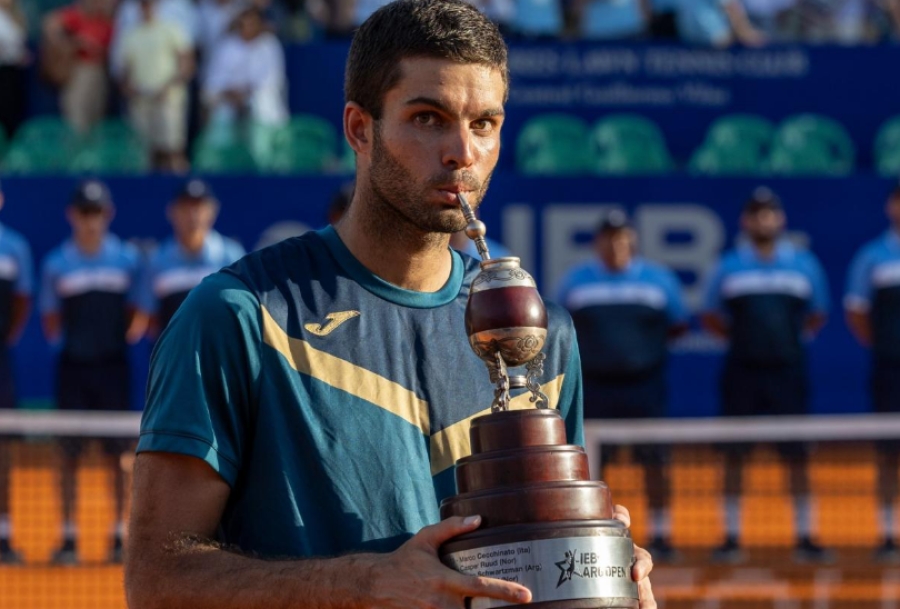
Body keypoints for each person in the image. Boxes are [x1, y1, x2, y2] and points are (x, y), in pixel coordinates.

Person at [124, 2, 656, 608]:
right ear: (359, 128)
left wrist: (599, 572)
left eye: (485, 123)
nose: (462, 151)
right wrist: (365, 584)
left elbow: (535, 553)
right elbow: (156, 581)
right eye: (429, 118)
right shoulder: (238, 315)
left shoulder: (541, 334)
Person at [701, 187, 830, 563]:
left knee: (798, 456)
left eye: (769, 213)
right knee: (734, 456)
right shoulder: (728, 266)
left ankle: (805, 535)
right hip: (741, 373)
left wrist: (785, 343)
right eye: (756, 214)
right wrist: (744, 342)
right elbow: (710, 314)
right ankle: (731, 536)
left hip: (789, 373)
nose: (763, 220)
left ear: (781, 219)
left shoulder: (804, 264)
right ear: (745, 221)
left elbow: (816, 314)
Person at [556, 210, 687, 562]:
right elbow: (560, 331)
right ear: (598, 243)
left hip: (645, 389)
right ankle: (594, 532)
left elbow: (677, 326)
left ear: (633, 241)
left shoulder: (660, 281)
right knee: (594, 466)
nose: (616, 244)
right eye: (608, 237)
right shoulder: (575, 282)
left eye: (622, 237)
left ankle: (662, 534)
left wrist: (639, 357)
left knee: (655, 463)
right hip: (596, 391)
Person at [40, 180, 145, 565]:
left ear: (108, 215)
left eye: (97, 212)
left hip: (113, 369)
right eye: (84, 212)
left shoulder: (128, 261)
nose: (90, 220)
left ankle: (120, 535)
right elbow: (50, 320)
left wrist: (114, 341)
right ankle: (68, 536)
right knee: (67, 457)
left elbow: (137, 313)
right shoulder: (56, 263)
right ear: (72, 216)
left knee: (119, 457)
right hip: (73, 370)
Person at [845, 182, 900, 561]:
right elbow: (857, 312)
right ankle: (887, 533)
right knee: (888, 453)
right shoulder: (872, 257)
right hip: (890, 370)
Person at [138, 179, 245, 335]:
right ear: (171, 212)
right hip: (174, 357)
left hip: (220, 356)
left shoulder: (232, 256)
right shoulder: (156, 260)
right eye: (185, 207)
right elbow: (149, 318)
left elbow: (241, 311)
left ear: (212, 211)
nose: (192, 215)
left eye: (199, 207)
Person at [118, 0, 195, 172]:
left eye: (150, 4)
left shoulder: (171, 29)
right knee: (143, 152)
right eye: (144, 5)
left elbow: (186, 63)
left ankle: (181, 188)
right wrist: (130, 89)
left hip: (168, 99)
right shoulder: (131, 35)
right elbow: (125, 71)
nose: (147, 8)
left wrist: (169, 87)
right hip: (140, 101)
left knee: (172, 149)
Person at [0, 179, 33, 564]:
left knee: (4, 448)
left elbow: (22, 302)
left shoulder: (15, 249)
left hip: (0, 363)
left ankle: (4, 533)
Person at [42, 0, 114, 134]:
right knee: (76, 116)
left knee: (95, 116)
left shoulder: (107, 19)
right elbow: (50, 25)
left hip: (100, 70)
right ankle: (76, 151)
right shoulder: (76, 15)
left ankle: (92, 152)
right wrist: (75, 42)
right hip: (80, 69)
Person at [0, 0, 28, 138]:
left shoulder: (15, 16)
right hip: (2, 71)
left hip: (15, 72)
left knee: (14, 112)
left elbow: (17, 44)